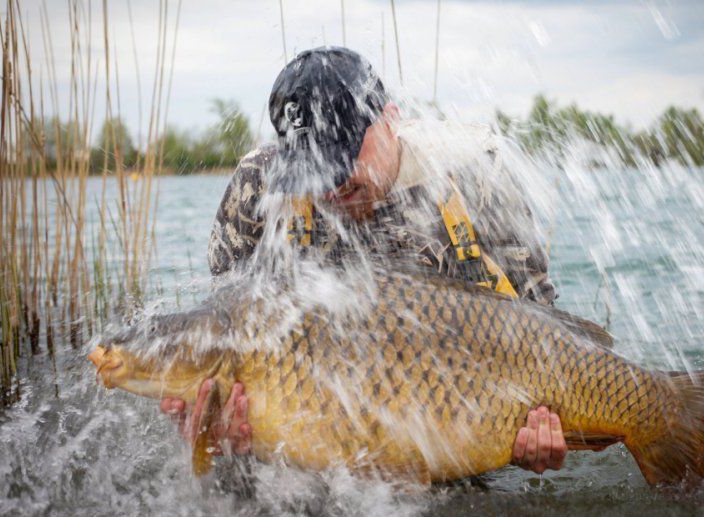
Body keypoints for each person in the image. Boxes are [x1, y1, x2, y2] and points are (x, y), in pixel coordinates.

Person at [161, 47, 567, 476]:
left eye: (344, 158)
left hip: (452, 435)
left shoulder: (477, 176)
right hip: (306, 449)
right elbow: (225, 332)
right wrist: (218, 419)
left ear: (391, 118)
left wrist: (542, 430)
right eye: (313, 168)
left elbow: (541, 326)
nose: (332, 188)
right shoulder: (256, 189)